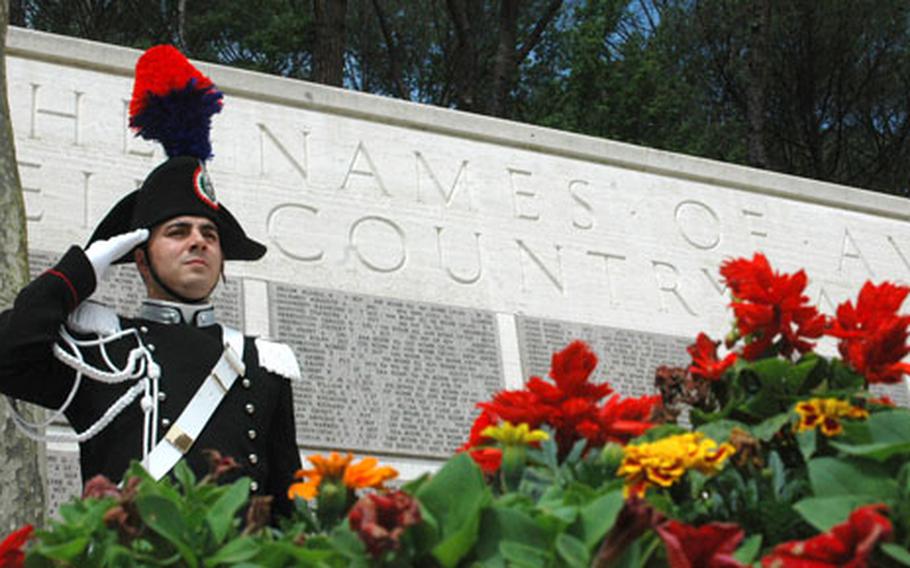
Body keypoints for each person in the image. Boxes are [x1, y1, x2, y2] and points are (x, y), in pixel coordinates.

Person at [0, 46, 301, 519]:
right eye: (178, 233)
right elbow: (9, 352)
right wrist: (79, 273)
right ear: (141, 259)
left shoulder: (262, 364)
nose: (198, 242)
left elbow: (285, 498)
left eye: (209, 234)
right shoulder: (105, 350)